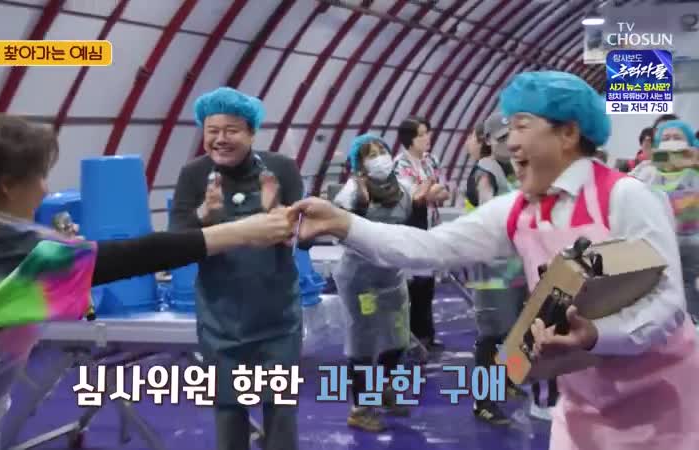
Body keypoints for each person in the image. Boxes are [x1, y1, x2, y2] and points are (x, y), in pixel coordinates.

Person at [293, 71, 699, 450]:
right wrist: (343, 223)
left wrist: (597, 335)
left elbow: (667, 303)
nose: (510, 141)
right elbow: (429, 247)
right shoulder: (516, 210)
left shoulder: (627, 196)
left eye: (522, 125)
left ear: (569, 133)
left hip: (665, 405)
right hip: (584, 406)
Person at [0, 114, 296, 450]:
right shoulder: (18, 253)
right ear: (7, 185)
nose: (45, 189)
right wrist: (243, 231)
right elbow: (135, 255)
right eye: (40, 176)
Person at [169, 87, 306, 450]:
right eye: (212, 130)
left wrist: (276, 213)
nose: (220, 139)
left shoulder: (281, 169)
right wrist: (205, 214)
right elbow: (175, 244)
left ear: (251, 132)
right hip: (221, 320)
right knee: (228, 411)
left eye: (231, 130)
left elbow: (303, 237)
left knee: (281, 410)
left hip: (277, 316)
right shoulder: (193, 174)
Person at [332, 134, 413, 432]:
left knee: (398, 337)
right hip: (360, 280)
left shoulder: (403, 189)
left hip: (391, 276)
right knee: (363, 342)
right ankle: (361, 408)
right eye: (371, 154)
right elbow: (338, 233)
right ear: (360, 163)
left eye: (382, 151)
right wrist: (360, 209)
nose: (379, 158)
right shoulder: (352, 192)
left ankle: (386, 389)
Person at [463, 116, 529, 425]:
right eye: (502, 138)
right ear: (488, 140)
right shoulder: (484, 174)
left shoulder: (512, 169)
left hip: (514, 264)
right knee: (490, 334)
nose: (509, 142)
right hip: (490, 268)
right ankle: (483, 401)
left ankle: (507, 379)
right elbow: (491, 217)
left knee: (514, 329)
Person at [630, 120, 699, 324]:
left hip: (691, 249)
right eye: (666, 138)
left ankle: (691, 325)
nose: (672, 142)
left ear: (690, 143)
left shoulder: (695, 172)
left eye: (677, 137)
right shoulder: (646, 171)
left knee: (688, 292)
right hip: (654, 246)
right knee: (655, 293)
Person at [394, 116, 449, 351]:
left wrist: (429, 192)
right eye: (422, 134)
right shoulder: (399, 165)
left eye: (428, 133)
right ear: (409, 139)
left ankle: (426, 334)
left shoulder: (431, 160)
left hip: (431, 227)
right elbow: (413, 197)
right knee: (413, 284)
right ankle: (411, 337)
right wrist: (428, 192)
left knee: (428, 284)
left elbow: (443, 192)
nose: (428, 138)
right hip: (411, 227)